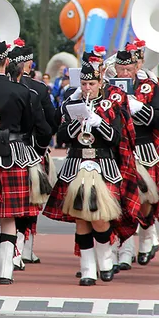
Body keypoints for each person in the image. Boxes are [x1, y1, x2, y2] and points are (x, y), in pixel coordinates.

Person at [44, 61, 135, 286]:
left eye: (91, 84)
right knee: (81, 218)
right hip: (77, 162)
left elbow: (116, 138)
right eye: (84, 83)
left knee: (101, 218)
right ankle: (87, 270)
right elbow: (62, 136)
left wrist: (98, 122)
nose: (87, 88)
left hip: (103, 163)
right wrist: (78, 122)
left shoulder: (110, 105)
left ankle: (105, 261)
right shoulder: (72, 103)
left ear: (100, 83)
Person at [0, 33, 51, 284]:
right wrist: (36, 151)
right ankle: (5, 270)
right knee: (9, 216)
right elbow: (36, 129)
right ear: (7, 61)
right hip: (15, 155)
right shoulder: (22, 91)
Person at [112, 46, 159, 268]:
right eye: (120, 68)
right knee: (119, 200)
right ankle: (125, 249)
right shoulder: (107, 88)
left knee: (145, 198)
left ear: (137, 67)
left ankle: (146, 236)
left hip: (143, 149)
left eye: (128, 68)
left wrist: (138, 107)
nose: (124, 73)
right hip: (118, 148)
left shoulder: (150, 86)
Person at [10, 41, 57, 266]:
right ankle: (24, 249)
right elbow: (49, 124)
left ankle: (9, 249)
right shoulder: (37, 89)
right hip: (29, 151)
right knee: (29, 203)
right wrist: (40, 148)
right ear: (28, 64)